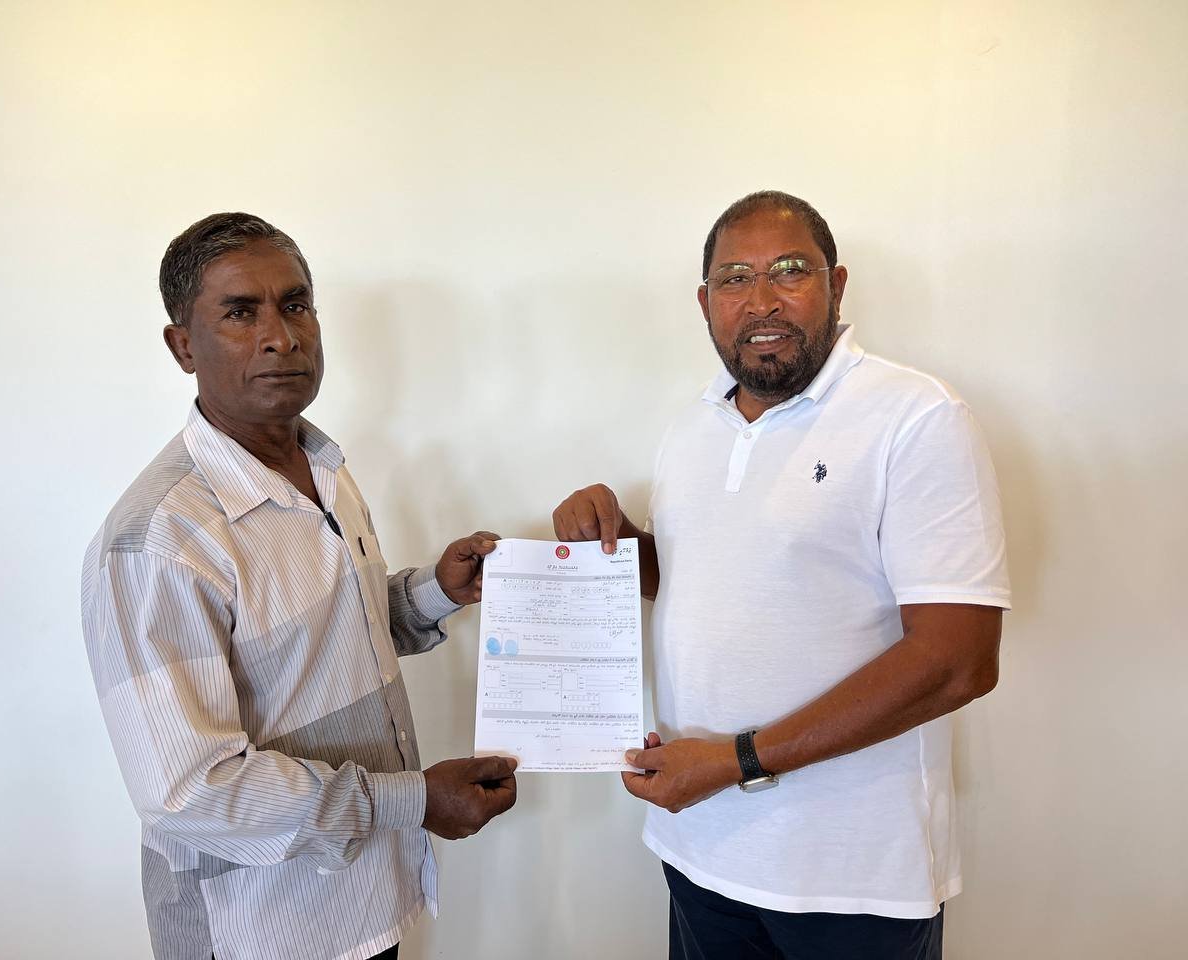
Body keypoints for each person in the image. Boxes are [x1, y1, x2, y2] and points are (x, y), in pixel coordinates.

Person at [553, 191, 1010, 959]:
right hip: (700, 847)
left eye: (790, 271)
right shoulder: (692, 426)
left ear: (837, 284)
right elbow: (707, 577)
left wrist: (736, 762)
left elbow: (959, 660)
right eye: (734, 278)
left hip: (852, 877)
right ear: (705, 302)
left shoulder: (915, 416)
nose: (761, 300)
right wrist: (618, 544)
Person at [81, 212, 517, 960]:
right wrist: (414, 799)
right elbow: (190, 790)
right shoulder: (157, 540)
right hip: (259, 930)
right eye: (240, 312)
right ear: (183, 346)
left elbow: (330, 636)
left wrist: (436, 592)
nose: (280, 336)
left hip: (367, 902)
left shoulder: (325, 469)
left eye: (295, 304)